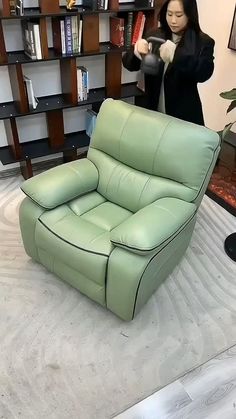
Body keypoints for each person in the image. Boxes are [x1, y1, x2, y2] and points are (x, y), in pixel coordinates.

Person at [122, 0, 215, 125]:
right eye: (169, 14)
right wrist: (136, 52)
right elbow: (129, 64)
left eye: (179, 15)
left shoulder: (203, 41)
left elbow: (204, 73)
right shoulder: (155, 34)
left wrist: (175, 55)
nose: (173, 21)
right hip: (153, 113)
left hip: (183, 117)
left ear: (190, 14)